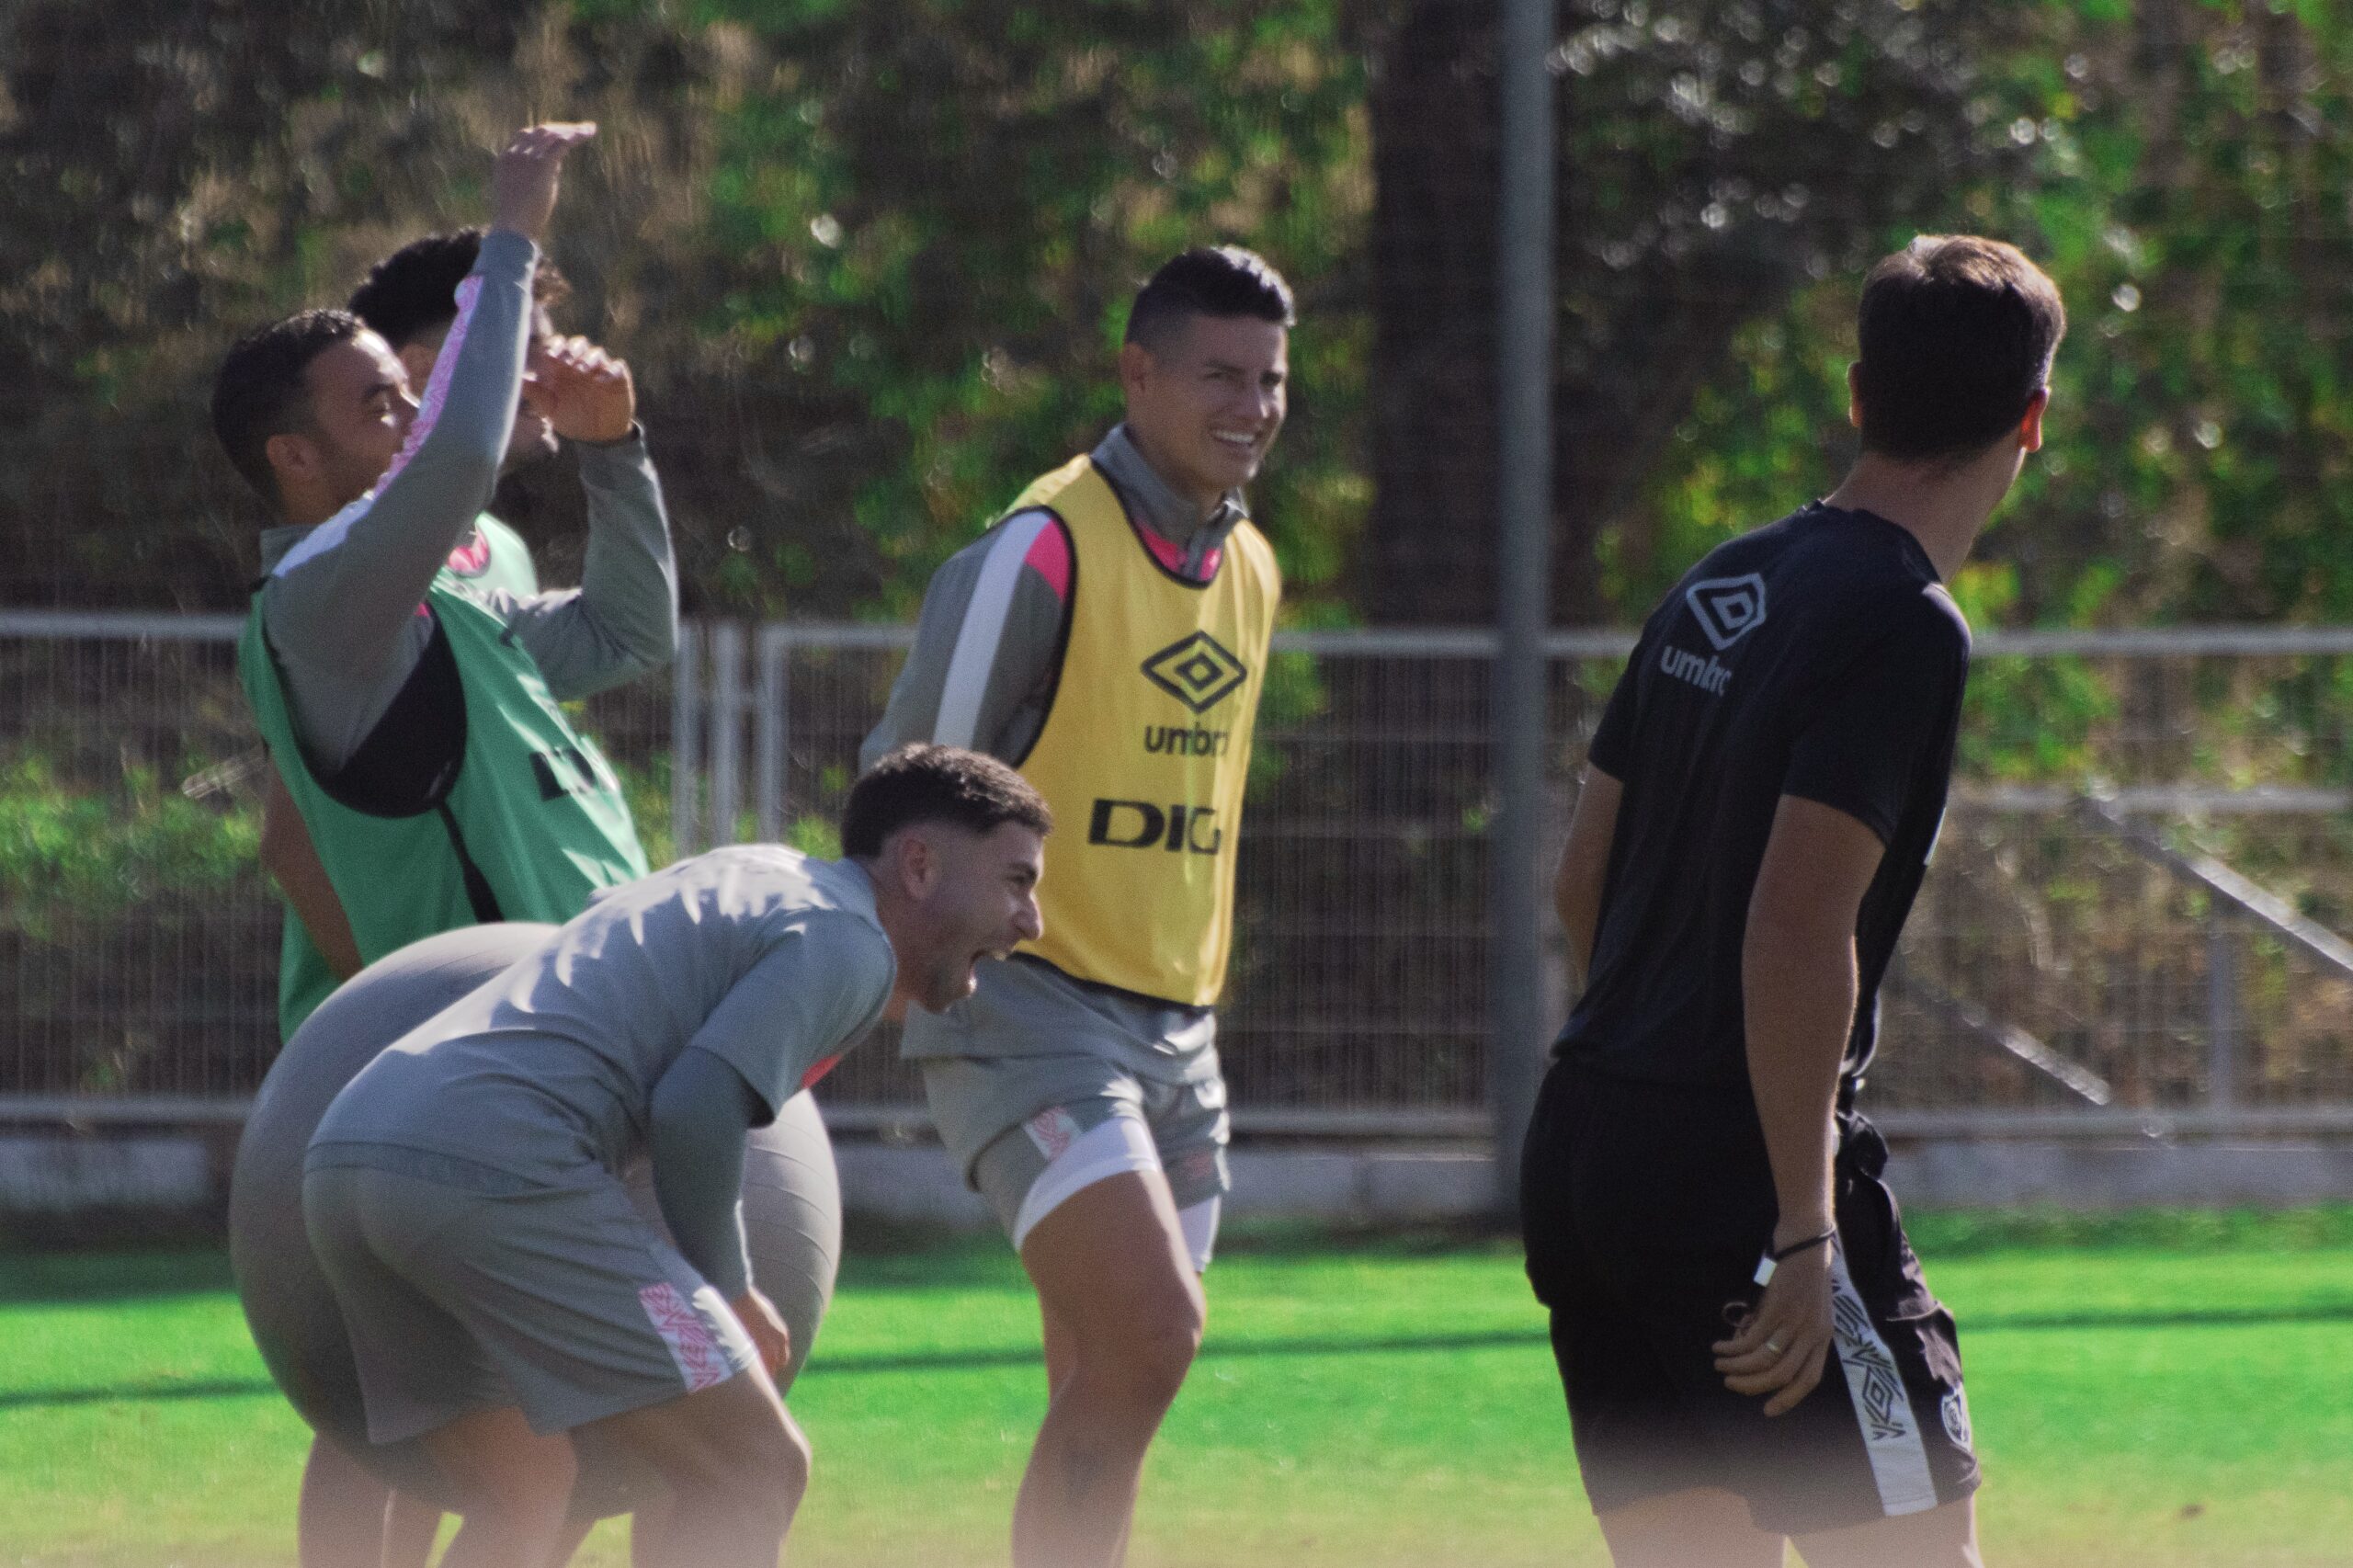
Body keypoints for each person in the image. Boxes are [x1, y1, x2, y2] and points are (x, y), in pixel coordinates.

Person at [1522, 234, 2065, 1567]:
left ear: (1858, 394)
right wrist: (1803, 1224)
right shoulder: (1904, 621)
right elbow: (1794, 925)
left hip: (1587, 1142)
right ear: (2032, 423)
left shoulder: (1725, 576)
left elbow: (1578, 878)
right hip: (1735, 1179)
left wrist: (1644, 1072)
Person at [210, 122, 674, 1566]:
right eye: (378, 403)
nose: (417, 420)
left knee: (636, 1431)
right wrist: (515, 225)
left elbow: (630, 633)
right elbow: (462, 458)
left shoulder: (467, 579)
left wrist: (620, 455)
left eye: (416, 391)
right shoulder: (321, 603)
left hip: (571, 1033)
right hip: (459, 1071)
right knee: (482, 1452)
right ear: (296, 455)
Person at [301, 743, 1051, 1568]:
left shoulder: (750, 871)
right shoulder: (852, 943)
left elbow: (602, 921)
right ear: (918, 865)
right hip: (497, 1163)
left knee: (522, 1493)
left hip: (350, 1153)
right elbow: (695, 1107)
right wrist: (726, 1287)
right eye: (1017, 881)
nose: (1031, 921)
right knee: (758, 1468)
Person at [860, 244, 1290, 1566]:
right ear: (1137, 372)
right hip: (1031, 1013)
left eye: (1273, 379)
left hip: (1181, 1036)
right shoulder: (1040, 547)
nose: (1254, 404)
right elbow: (905, 792)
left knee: (1110, 1375)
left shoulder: (1255, 565)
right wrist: (889, 972)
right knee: (1153, 1333)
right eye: (1221, 373)